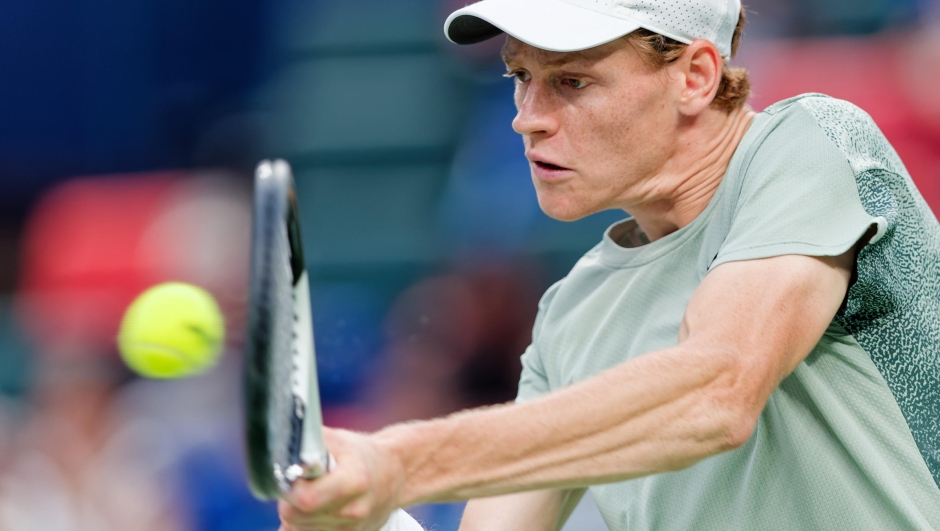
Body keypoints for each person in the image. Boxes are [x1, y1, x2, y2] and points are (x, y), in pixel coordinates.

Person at [278, 0, 940, 529]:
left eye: (571, 81)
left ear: (696, 76)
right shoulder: (571, 312)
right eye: (520, 78)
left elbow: (715, 394)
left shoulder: (814, 142)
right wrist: (363, 516)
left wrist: (397, 460)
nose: (527, 120)